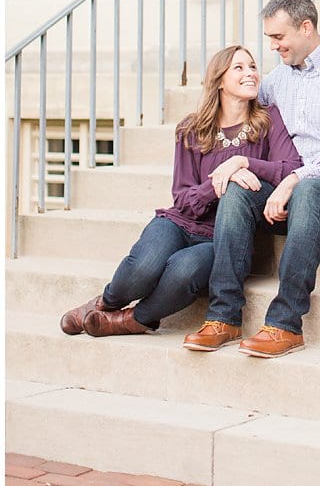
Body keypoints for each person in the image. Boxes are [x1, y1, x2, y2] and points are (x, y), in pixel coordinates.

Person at [182, 0, 320, 358]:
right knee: (238, 190)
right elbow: (235, 105)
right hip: (298, 192)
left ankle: (285, 324)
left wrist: (294, 179)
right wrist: (234, 161)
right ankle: (224, 316)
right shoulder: (278, 82)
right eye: (270, 39)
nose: (273, 47)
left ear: (306, 28)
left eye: (278, 38)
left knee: (311, 191)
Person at [58, 45, 300, 338]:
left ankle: (133, 319)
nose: (250, 73)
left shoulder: (268, 121)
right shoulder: (192, 129)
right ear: (219, 80)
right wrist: (219, 182)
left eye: (252, 66)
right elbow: (183, 199)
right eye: (239, 67)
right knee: (143, 268)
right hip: (180, 222)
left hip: (222, 237)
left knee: (182, 271)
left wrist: (244, 163)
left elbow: (290, 168)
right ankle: (105, 303)